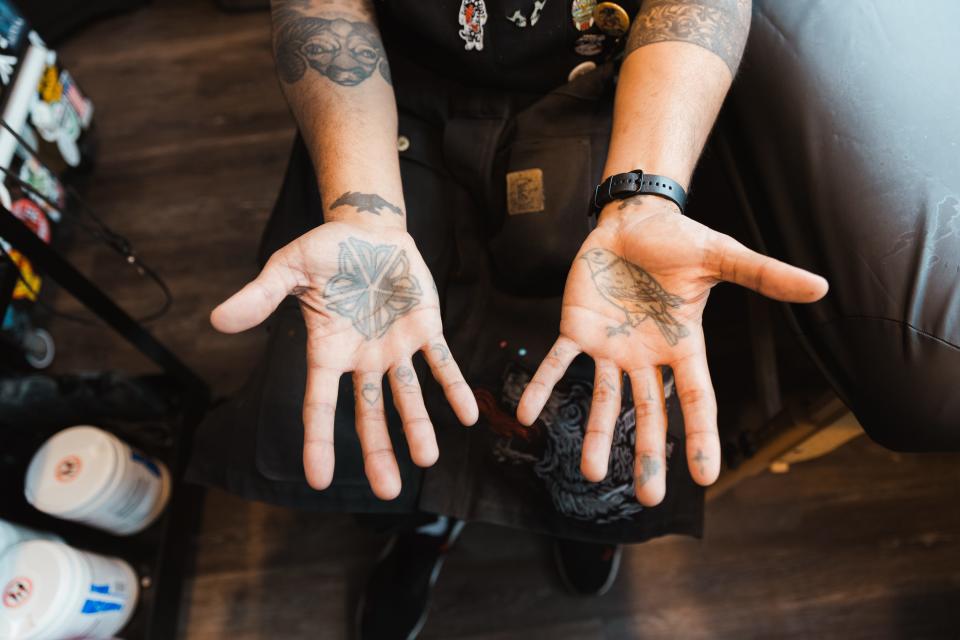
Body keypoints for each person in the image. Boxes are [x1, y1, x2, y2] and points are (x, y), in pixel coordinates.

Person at [190, 0, 960, 637]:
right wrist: (362, 207)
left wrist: (645, 192)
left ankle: (570, 523)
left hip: (611, 97)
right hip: (392, 93)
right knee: (373, 387)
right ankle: (420, 522)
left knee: (595, 406)